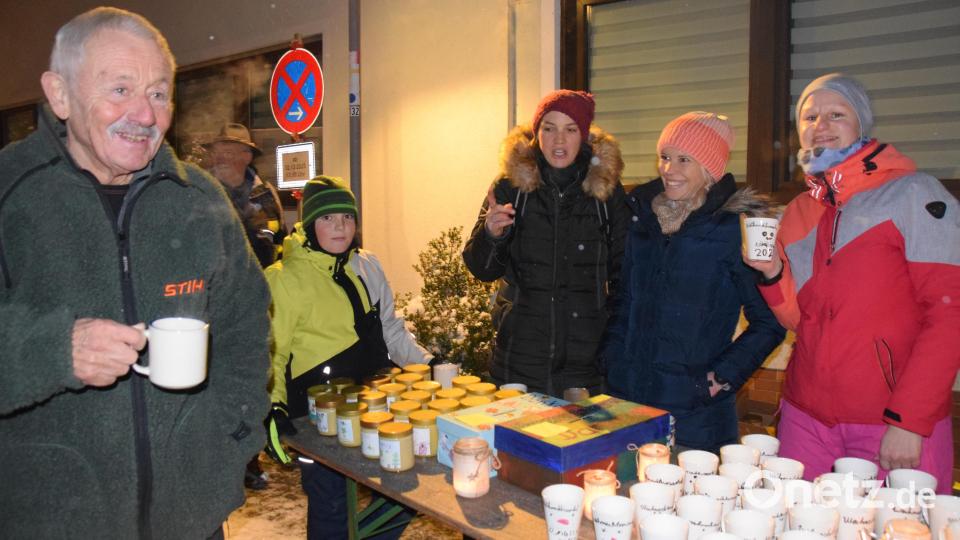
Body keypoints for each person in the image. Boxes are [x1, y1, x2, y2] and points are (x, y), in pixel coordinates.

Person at [0, 7, 270, 539]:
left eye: (159, 93)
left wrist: (233, 437)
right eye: (120, 89)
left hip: (191, 519)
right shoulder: (9, 194)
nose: (145, 115)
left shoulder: (199, 199)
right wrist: (54, 350)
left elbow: (246, 325)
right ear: (59, 94)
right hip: (48, 520)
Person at [744, 73, 960, 489]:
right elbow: (799, 320)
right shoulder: (799, 211)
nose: (820, 125)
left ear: (862, 122)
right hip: (806, 418)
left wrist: (910, 420)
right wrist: (771, 272)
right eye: (809, 117)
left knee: (897, 521)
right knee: (800, 518)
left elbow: (950, 315)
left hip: (890, 421)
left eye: (836, 114)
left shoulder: (914, 194)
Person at [601, 112, 785, 452]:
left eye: (684, 160)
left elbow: (769, 322)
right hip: (628, 406)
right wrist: (612, 362)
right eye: (665, 157)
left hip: (696, 417)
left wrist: (718, 379)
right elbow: (624, 301)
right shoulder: (642, 219)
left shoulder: (734, 229)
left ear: (709, 169)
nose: (668, 169)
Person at [264, 176, 431, 539]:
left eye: (347, 217)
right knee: (331, 506)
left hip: (373, 407)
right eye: (327, 218)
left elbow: (390, 329)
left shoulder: (363, 265)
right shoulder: (285, 279)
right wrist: (272, 408)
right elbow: (271, 352)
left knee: (405, 489)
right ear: (309, 225)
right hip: (317, 421)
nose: (340, 226)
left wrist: (427, 366)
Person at [462, 89, 629, 397]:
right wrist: (491, 235)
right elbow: (481, 269)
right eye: (549, 128)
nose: (559, 140)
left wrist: (614, 345)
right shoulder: (511, 186)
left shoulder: (606, 192)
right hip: (519, 359)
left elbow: (626, 276)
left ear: (584, 135)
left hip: (586, 365)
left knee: (582, 431)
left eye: (570, 129)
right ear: (537, 133)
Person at [204, 122, 286, 268]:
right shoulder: (202, 193)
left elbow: (282, 244)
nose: (220, 159)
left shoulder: (267, 195)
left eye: (228, 153)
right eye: (216, 153)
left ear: (247, 157)